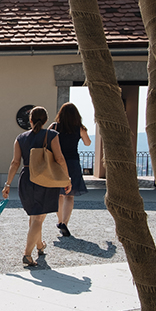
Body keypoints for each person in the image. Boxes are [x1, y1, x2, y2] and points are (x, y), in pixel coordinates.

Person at [2, 106, 71, 267]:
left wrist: (8, 184)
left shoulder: (20, 138)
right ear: (46, 120)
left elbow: (15, 163)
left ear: (30, 120)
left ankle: (39, 245)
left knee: (34, 216)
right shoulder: (51, 135)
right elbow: (60, 158)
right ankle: (27, 254)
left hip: (26, 178)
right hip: (45, 178)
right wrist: (67, 179)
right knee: (39, 218)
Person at [50, 102, 91, 237]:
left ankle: (60, 219)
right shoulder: (79, 128)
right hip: (72, 163)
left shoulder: (54, 127)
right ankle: (65, 223)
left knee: (59, 194)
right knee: (69, 195)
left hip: (57, 162)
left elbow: (46, 141)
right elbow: (87, 142)